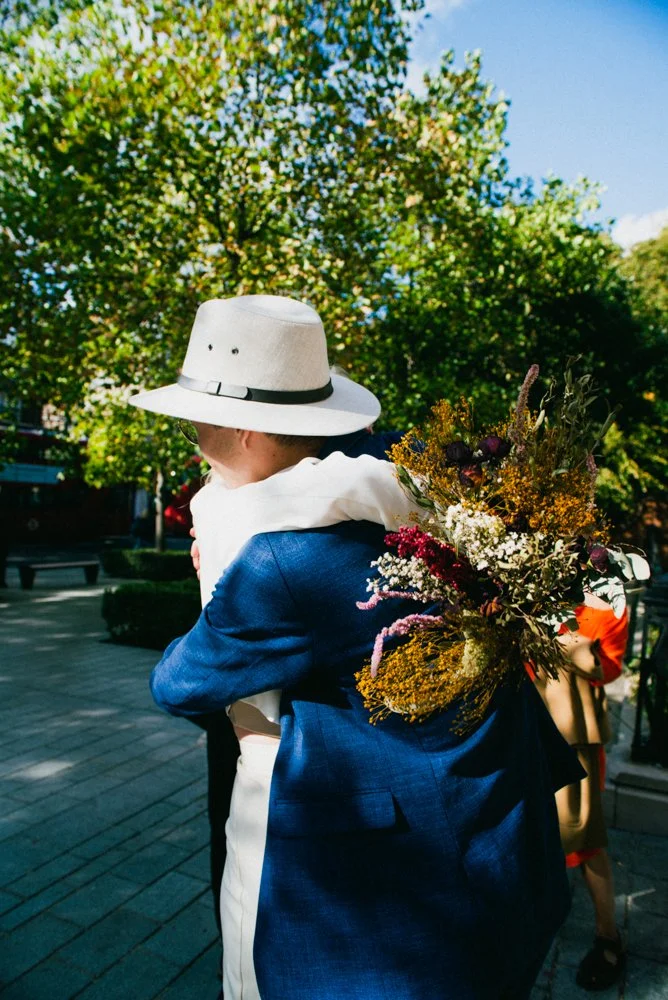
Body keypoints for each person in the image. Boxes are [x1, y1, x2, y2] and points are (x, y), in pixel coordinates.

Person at [130, 294, 583, 1000]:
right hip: (498, 840)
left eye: (196, 421)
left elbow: (179, 684)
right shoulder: (415, 487)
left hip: (391, 897)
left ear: (247, 430)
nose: (190, 435)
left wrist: (216, 585)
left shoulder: (279, 558)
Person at [534, 595, 629, 992]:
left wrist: (566, 645)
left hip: (576, 731)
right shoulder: (530, 583)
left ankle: (609, 936)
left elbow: (608, 668)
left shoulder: (606, 603)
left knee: (586, 838)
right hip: (527, 721)